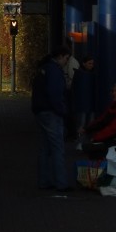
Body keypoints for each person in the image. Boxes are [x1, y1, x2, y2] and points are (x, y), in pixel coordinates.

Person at [30, 45, 71, 191]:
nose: (66, 62)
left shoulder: (45, 68)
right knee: (57, 148)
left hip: (40, 111)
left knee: (45, 148)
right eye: (66, 58)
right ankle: (62, 183)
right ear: (60, 56)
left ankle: (44, 181)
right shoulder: (54, 71)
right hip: (51, 112)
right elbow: (55, 94)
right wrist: (63, 111)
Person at [70, 55, 96, 149]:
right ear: (84, 63)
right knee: (85, 123)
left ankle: (82, 143)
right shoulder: (90, 74)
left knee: (82, 123)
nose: (91, 65)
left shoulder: (79, 74)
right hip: (88, 103)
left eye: (92, 64)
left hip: (83, 103)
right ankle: (84, 142)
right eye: (89, 63)